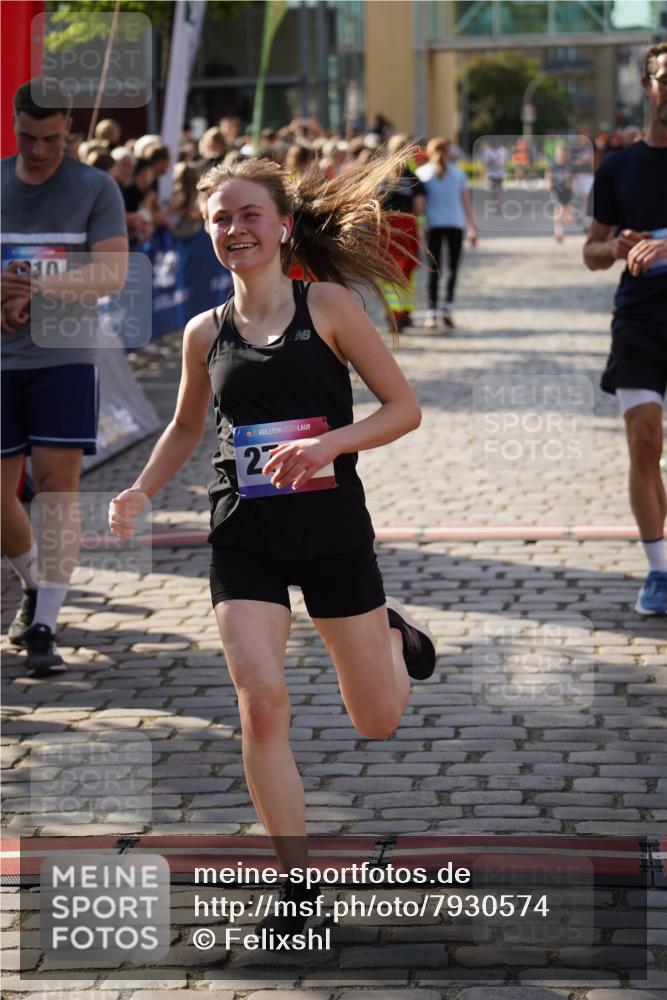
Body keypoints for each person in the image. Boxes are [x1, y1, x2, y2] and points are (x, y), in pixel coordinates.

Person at [108, 152, 437, 937]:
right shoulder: (201, 332)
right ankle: (295, 886)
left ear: (283, 226)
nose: (233, 229)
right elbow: (189, 426)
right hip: (244, 533)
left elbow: (403, 409)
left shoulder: (325, 305)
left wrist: (328, 446)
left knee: (377, 720)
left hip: (330, 535)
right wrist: (141, 491)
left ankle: (389, 633)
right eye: (220, 217)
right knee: (261, 708)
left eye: (249, 214)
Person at [1, 77, 128, 672]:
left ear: (69, 132)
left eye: (50, 139)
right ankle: (33, 585)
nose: (38, 151)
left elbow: (111, 276)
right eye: (27, 137)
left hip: (64, 355)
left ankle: (46, 622)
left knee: (57, 489)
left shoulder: (95, 188)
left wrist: (36, 288)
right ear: (15, 125)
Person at [584, 41, 667, 615]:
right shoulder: (619, 166)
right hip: (639, 321)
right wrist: (612, 246)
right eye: (666, 77)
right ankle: (660, 571)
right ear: (647, 85)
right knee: (643, 443)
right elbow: (590, 250)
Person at [416, 137, 477, 330]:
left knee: (434, 270)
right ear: (449, 151)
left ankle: (431, 312)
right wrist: (472, 227)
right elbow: (466, 203)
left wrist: (419, 227)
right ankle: (448, 308)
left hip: (433, 225)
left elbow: (420, 207)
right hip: (455, 224)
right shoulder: (459, 173)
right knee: (452, 269)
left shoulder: (422, 173)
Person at [378, 133, 425, 332]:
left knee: (388, 270)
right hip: (407, 225)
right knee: (407, 271)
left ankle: (392, 311)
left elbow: (373, 202)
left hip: (386, 225)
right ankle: (405, 311)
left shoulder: (380, 175)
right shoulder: (411, 176)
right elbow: (420, 206)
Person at [546, 142, 574, 242]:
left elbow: (572, 179)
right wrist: (548, 184)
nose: (561, 156)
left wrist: (569, 181)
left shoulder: (568, 165)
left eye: (563, 154)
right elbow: (548, 174)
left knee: (564, 209)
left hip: (566, 191)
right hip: (556, 189)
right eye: (559, 154)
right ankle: (558, 232)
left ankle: (560, 229)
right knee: (558, 208)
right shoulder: (553, 163)